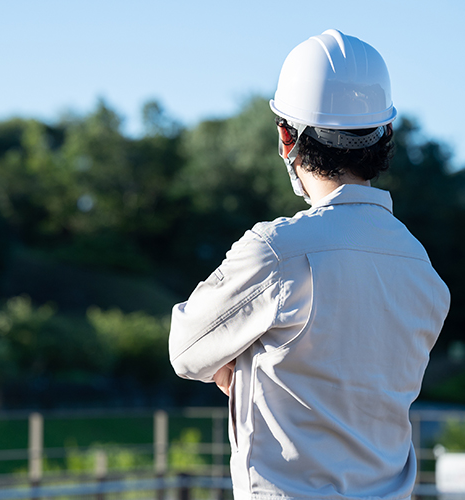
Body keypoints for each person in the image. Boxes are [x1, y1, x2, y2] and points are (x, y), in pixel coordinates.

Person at [168, 29, 450, 500]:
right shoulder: (423, 273)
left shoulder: (277, 252)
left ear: (286, 137)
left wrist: (234, 363)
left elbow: (185, 348)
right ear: (384, 136)